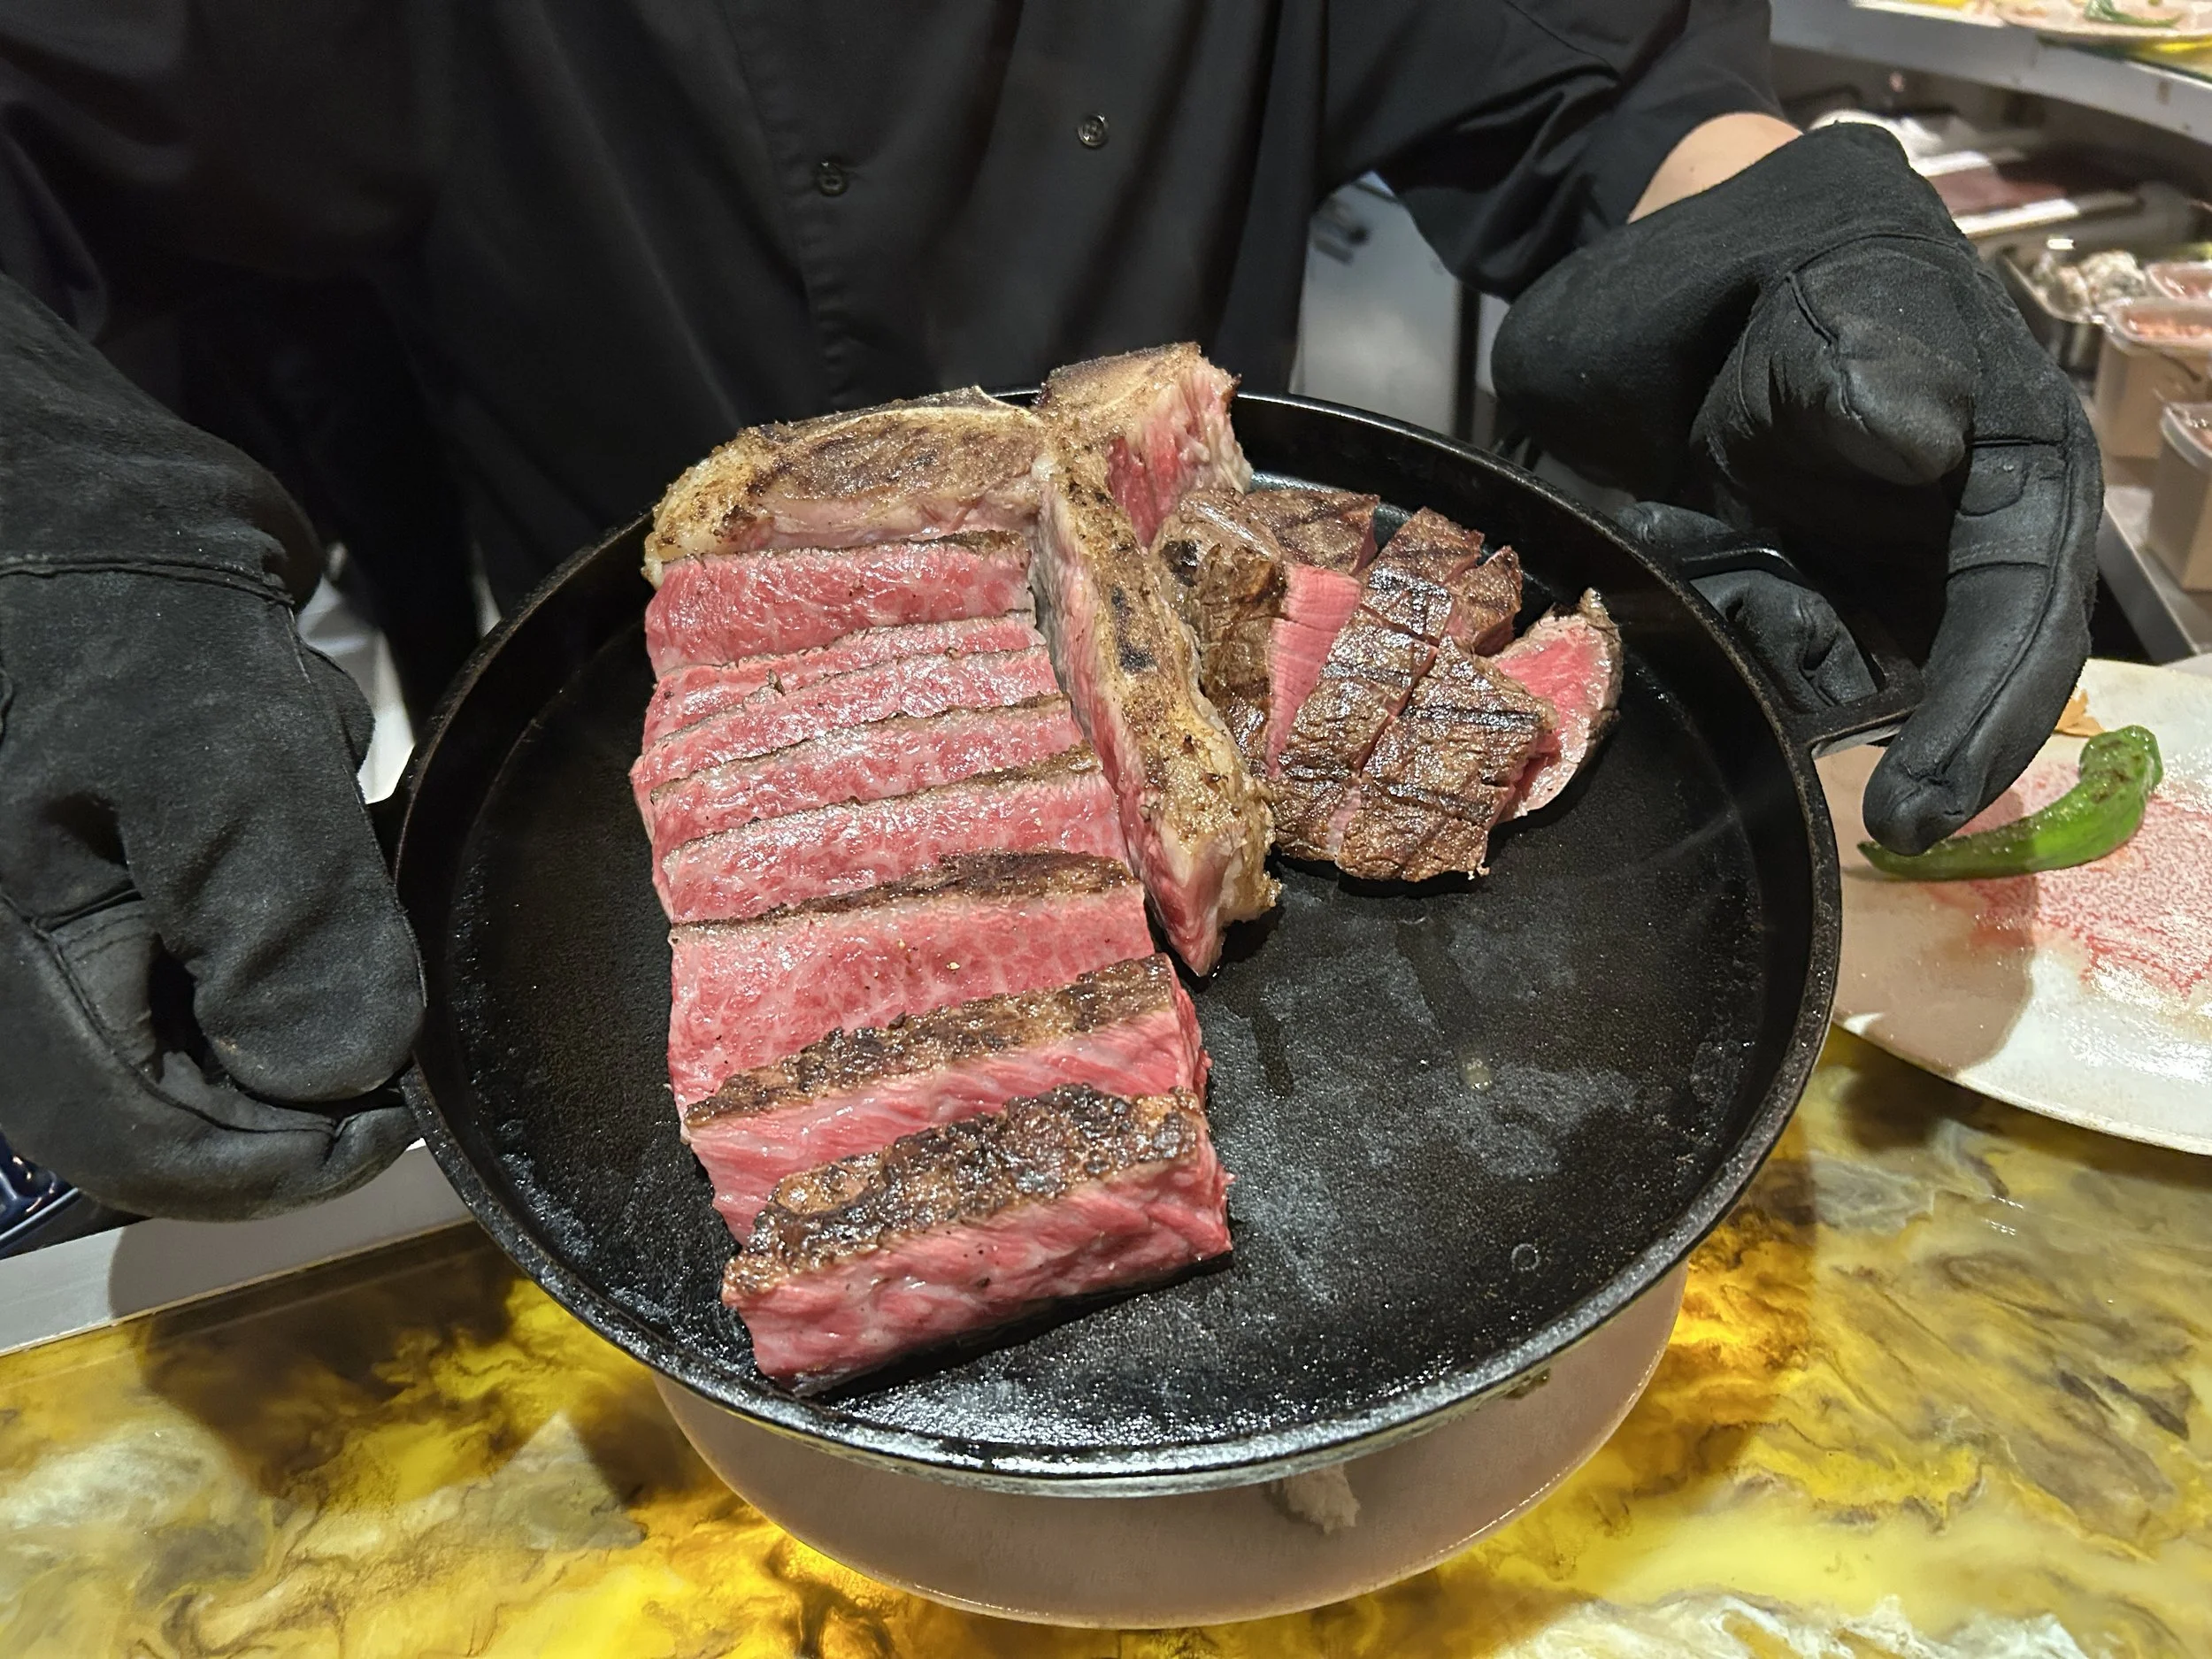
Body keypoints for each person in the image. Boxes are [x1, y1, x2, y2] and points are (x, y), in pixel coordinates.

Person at [0, 4, 2097, 1221]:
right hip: (651, 698)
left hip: (1186, 564)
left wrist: (1760, 217)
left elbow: (1576, 63)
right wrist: (45, 509)